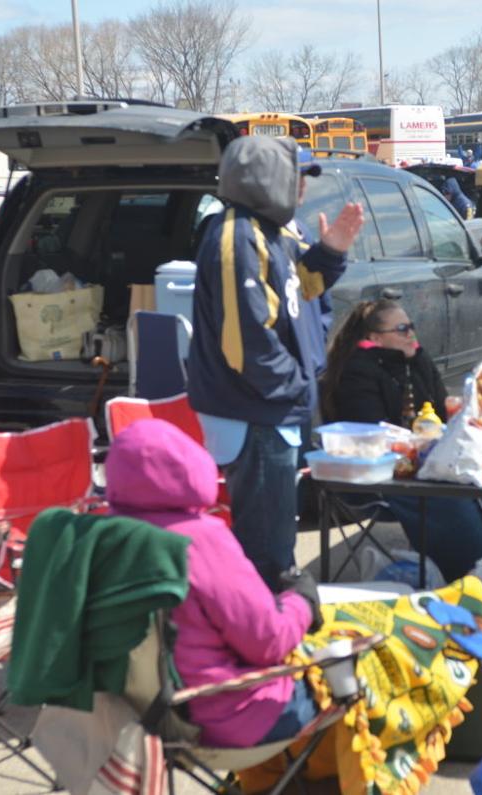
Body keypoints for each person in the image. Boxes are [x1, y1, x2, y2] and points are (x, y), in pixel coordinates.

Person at [188, 136, 364, 588]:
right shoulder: (234, 234)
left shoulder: (281, 230)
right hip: (255, 409)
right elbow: (244, 343)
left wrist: (332, 251)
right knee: (267, 550)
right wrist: (299, 386)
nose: (303, 187)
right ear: (266, 180)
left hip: (278, 405)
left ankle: (268, 624)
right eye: (297, 176)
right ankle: (264, 638)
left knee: (277, 533)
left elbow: (300, 290)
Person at [105, 419, 321, 747]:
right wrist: (302, 599)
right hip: (223, 715)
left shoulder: (101, 536)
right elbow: (269, 641)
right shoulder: (200, 540)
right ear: (191, 465)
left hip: (129, 716)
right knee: (365, 669)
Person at [321, 300, 482, 580]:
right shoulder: (358, 373)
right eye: (402, 329)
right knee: (452, 496)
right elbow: (371, 433)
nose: (411, 334)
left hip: (421, 461)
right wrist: (421, 442)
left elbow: (440, 411)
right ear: (374, 338)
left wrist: (461, 411)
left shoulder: (417, 360)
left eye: (412, 327)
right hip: (378, 471)